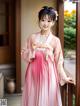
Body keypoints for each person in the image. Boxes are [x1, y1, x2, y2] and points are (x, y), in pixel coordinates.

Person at [21, 6, 74, 106]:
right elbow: (23, 52)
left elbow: (59, 61)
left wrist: (64, 77)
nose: (45, 23)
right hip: (33, 74)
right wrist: (32, 52)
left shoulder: (55, 41)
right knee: (33, 97)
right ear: (39, 20)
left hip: (48, 74)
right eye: (43, 20)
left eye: (49, 21)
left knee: (47, 99)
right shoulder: (32, 37)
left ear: (53, 22)